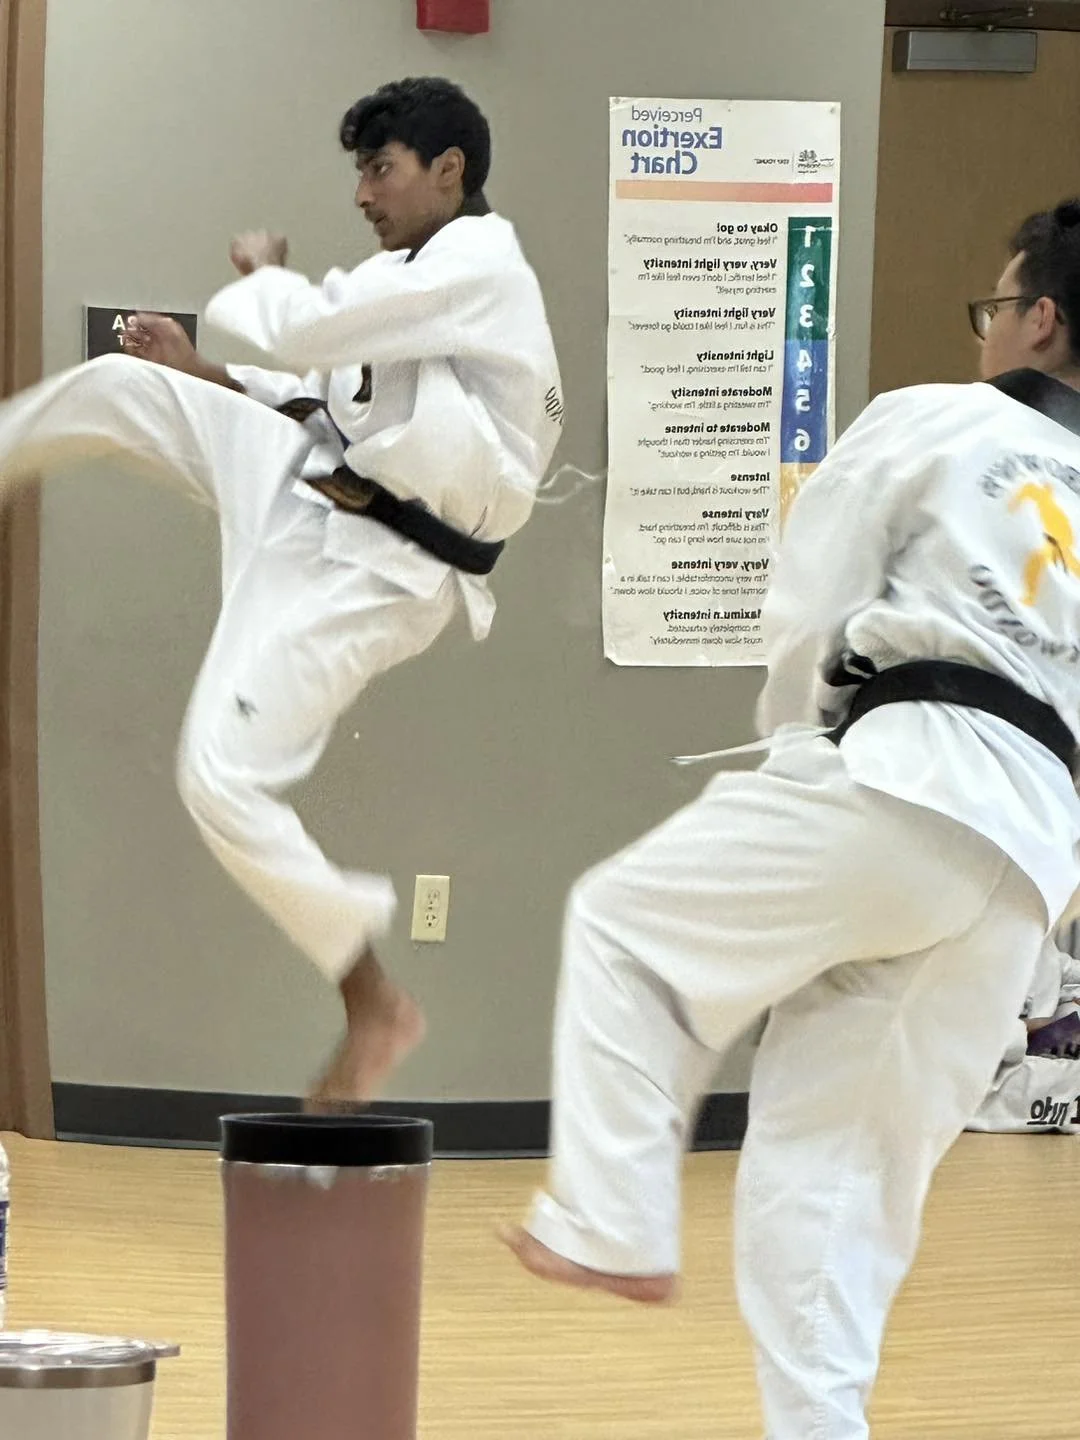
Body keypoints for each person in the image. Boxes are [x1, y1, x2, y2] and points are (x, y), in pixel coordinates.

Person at [502, 198, 1080, 1440]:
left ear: (1039, 317)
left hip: (902, 775)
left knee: (628, 929)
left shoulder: (937, 417)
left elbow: (811, 595)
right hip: (1033, 852)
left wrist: (793, 750)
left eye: (995, 307)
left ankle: (610, 1221)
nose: (984, 333)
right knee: (834, 1192)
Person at [0, 76, 563, 1103]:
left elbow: (305, 331)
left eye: (380, 168)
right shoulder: (410, 282)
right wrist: (204, 372)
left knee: (218, 777)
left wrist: (265, 276)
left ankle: (371, 999)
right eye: (358, 170)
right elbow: (316, 396)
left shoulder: (482, 266)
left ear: (450, 171)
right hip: (319, 496)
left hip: (384, 569)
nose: (361, 192)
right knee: (131, 385)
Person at [969, 919, 1080, 1133]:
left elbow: (1061, 968)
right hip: (982, 1075)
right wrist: (1032, 1028)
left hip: (1035, 1064)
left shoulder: (1034, 925)